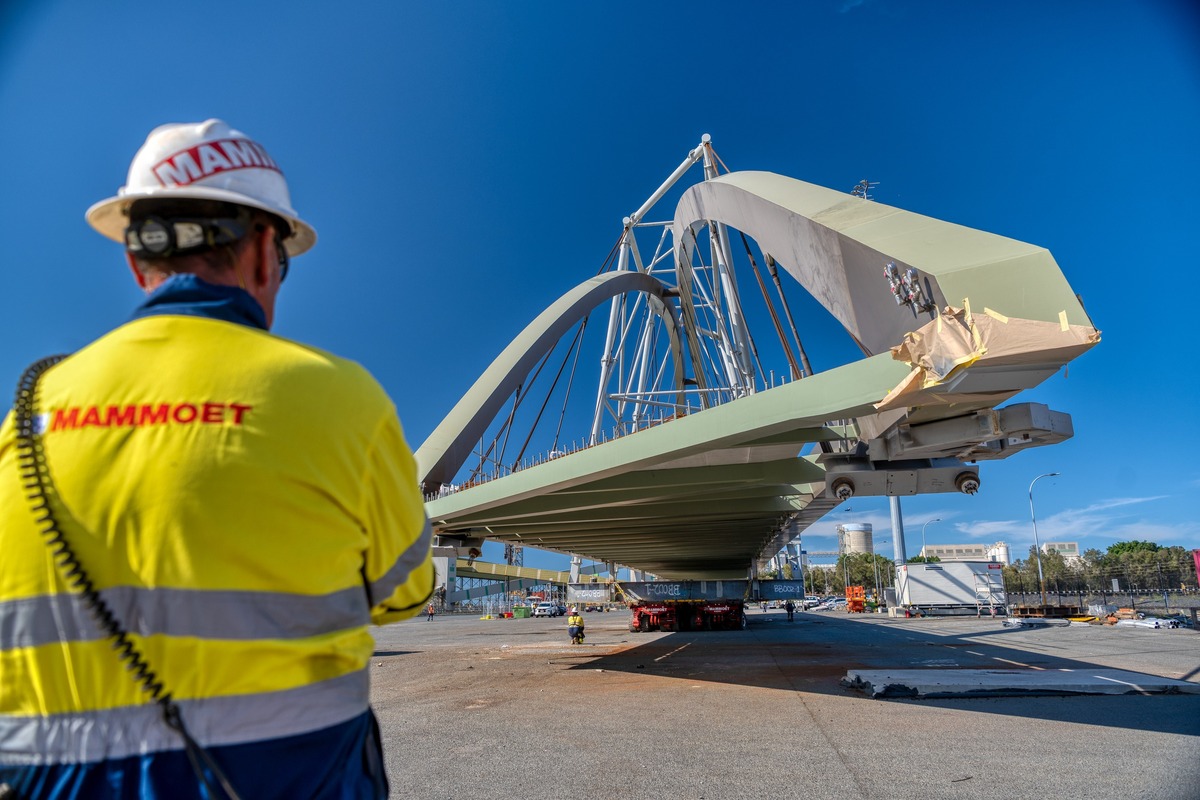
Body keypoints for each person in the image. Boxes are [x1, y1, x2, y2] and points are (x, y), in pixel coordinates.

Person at [0, 119, 434, 799]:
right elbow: (406, 593)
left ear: (136, 261)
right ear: (265, 251)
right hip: (287, 776)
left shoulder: (26, 416)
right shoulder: (340, 397)